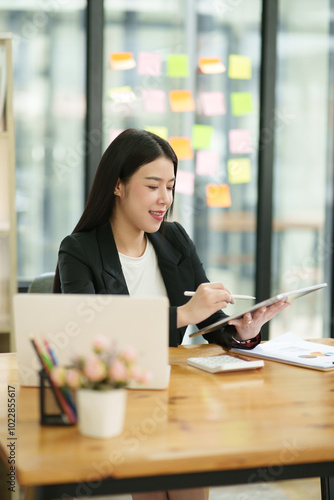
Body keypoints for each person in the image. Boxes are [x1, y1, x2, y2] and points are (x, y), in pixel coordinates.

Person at [53, 128, 289, 500]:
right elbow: (91, 339)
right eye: (152, 186)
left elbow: (212, 328)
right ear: (118, 186)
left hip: (176, 401)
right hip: (117, 401)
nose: (165, 199)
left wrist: (243, 329)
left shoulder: (174, 239)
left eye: (171, 186)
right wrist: (180, 315)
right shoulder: (79, 250)